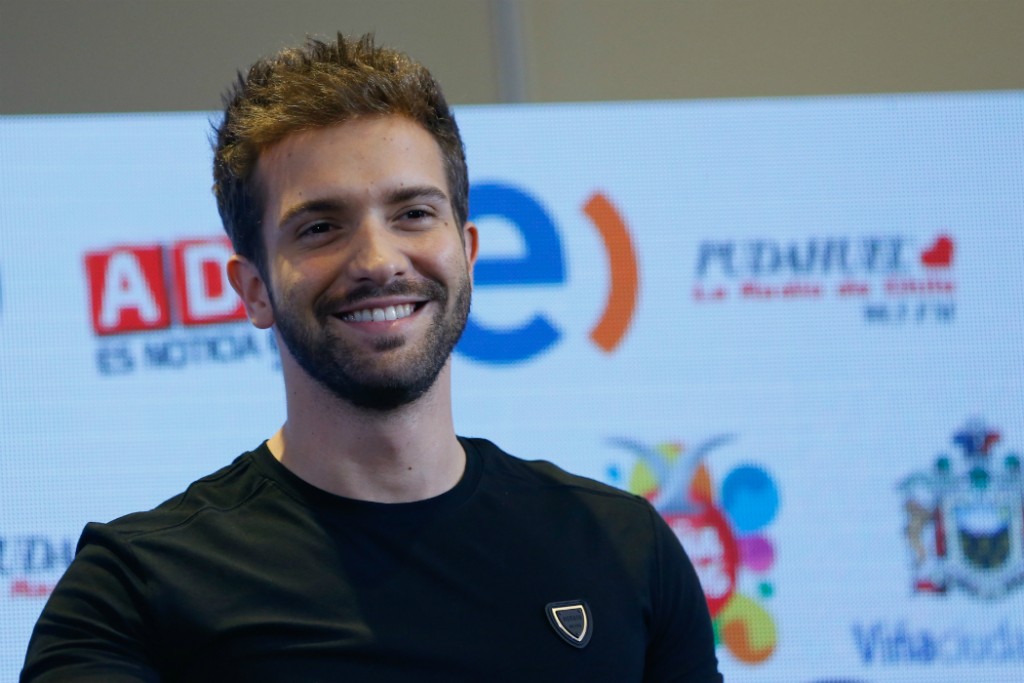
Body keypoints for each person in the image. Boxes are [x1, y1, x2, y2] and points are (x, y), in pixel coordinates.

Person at [21, 33, 723, 682]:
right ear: (254, 289)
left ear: (468, 253)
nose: (379, 261)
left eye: (413, 214)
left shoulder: (624, 550)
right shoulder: (134, 592)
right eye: (321, 227)